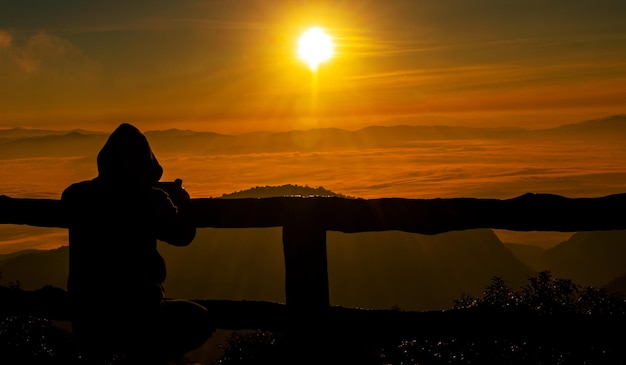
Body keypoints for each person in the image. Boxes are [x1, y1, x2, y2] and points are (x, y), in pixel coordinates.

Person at [61, 123, 215, 364]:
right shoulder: (150, 198)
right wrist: (180, 201)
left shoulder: (76, 194)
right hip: (140, 315)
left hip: (87, 316)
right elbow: (183, 236)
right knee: (202, 319)